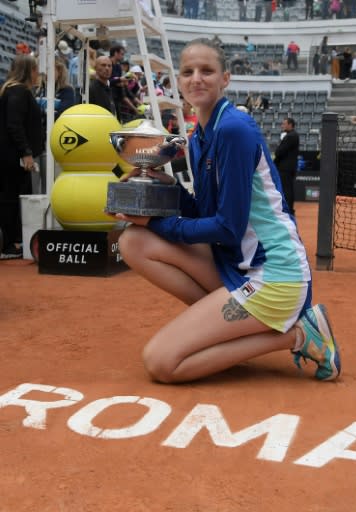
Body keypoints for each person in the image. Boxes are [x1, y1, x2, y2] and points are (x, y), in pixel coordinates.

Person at [111, 38, 341, 385]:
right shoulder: (199, 134)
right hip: (234, 264)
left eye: (207, 70)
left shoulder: (233, 129)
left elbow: (227, 227)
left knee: (161, 363)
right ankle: (227, 331)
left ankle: (298, 335)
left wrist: (158, 221)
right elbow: (202, 211)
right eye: (188, 72)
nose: (196, 79)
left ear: (226, 79)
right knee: (134, 242)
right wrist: (158, 186)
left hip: (274, 276)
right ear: (179, 80)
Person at [0, 54, 43, 259]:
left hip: (11, 155)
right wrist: (26, 152)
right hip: (12, 157)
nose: (38, 74)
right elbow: (14, 125)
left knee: (12, 196)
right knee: (11, 197)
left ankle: (13, 240)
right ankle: (10, 243)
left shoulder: (13, 90)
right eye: (35, 70)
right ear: (29, 71)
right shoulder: (18, 91)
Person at [273, 117, 299, 217]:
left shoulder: (291, 136)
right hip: (288, 167)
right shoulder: (292, 135)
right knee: (288, 188)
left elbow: (279, 151)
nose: (282, 125)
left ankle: (288, 209)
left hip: (286, 168)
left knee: (287, 189)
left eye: (284, 124)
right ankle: (289, 209)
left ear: (290, 125)